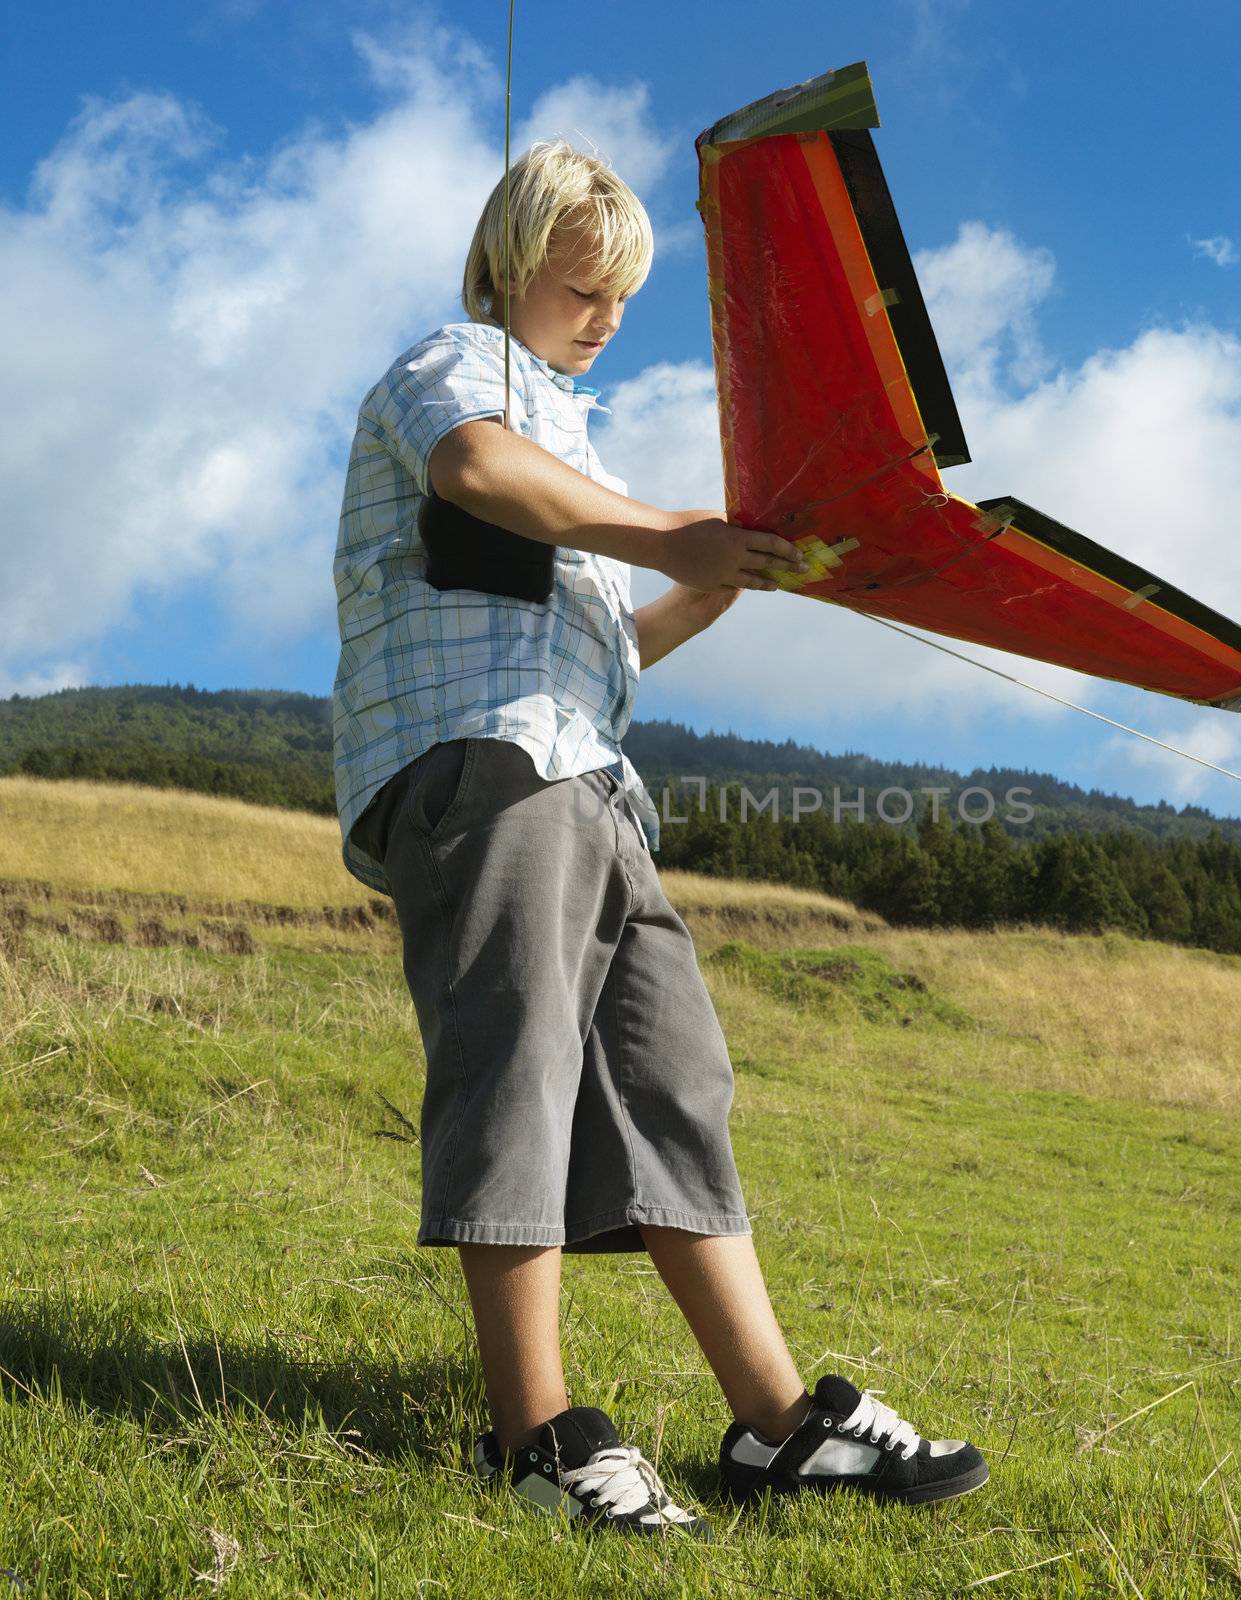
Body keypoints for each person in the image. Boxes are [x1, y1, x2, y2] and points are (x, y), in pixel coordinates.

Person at [330, 138, 988, 1538]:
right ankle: (540, 1437)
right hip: (487, 763)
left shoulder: (571, 436)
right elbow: (479, 472)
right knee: (515, 1071)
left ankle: (777, 1430)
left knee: (676, 1080)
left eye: (623, 295)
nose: (606, 314)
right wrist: (675, 531)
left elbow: (615, 642)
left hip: (590, 775)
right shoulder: (455, 372)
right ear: (515, 260)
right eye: (585, 285)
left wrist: (736, 569)